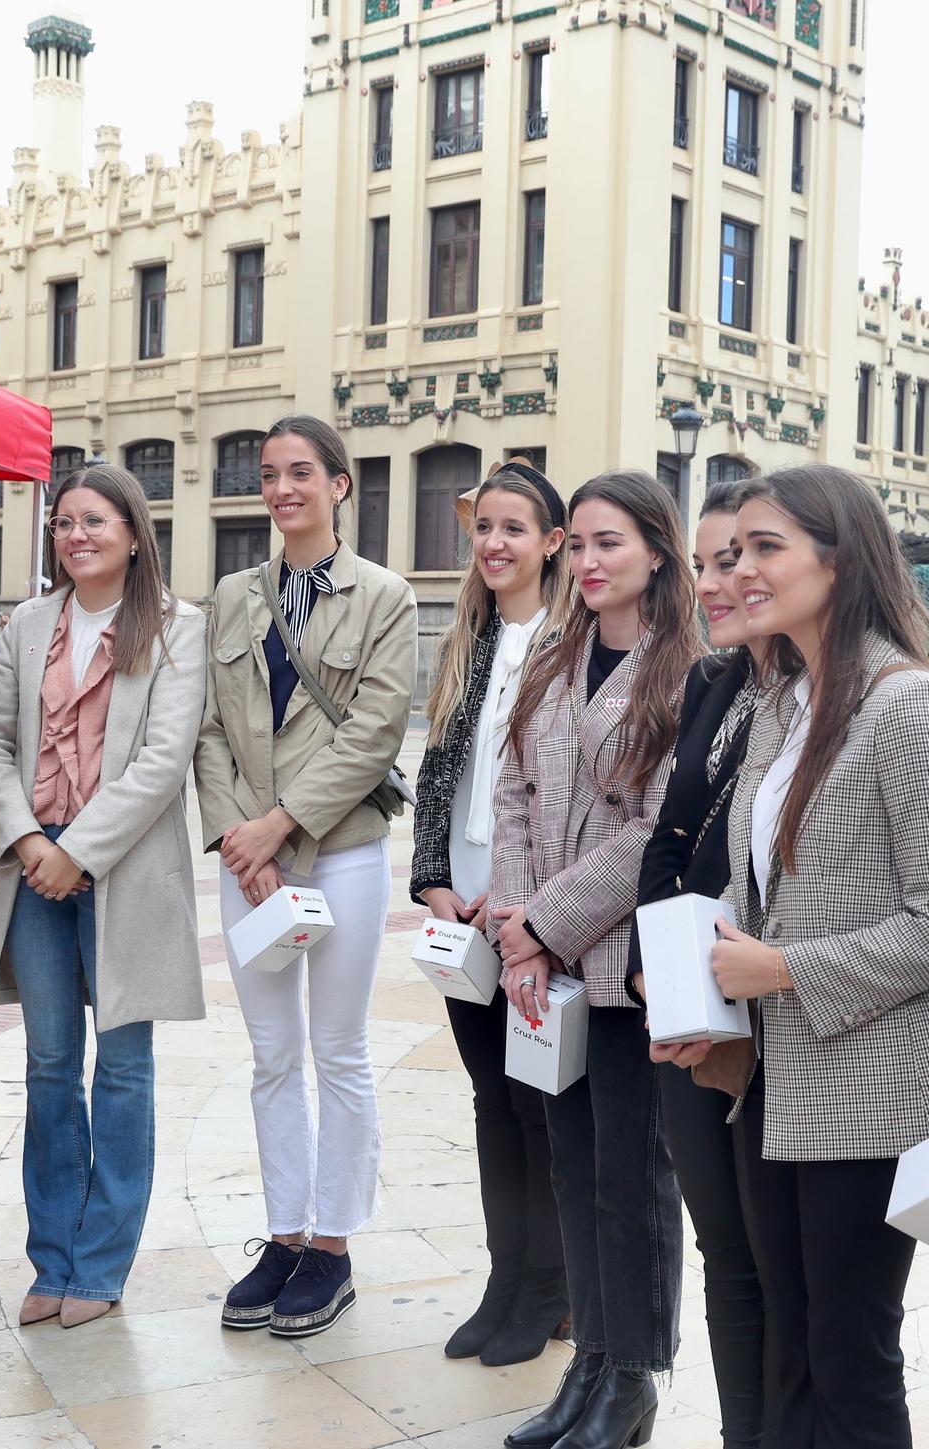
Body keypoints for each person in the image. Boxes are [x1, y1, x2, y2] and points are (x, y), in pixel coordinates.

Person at [670, 467, 929, 1449]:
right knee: (794, 1345)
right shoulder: (782, 703)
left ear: (837, 561)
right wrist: (698, 986)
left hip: (870, 1086)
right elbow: (757, 888)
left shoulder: (906, 707)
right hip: (771, 1076)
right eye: (733, 552)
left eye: (765, 549)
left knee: (848, 1353)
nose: (740, 570)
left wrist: (784, 971)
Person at [0, 464, 207, 1329]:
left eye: (95, 521)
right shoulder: (27, 624)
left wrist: (80, 852)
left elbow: (162, 765)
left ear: (134, 532)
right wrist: (28, 842)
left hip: (123, 870)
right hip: (29, 867)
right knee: (49, 1066)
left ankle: (100, 1267)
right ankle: (51, 1257)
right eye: (63, 523)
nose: (77, 535)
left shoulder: (176, 627)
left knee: (123, 1071)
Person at [195, 414, 416, 1338]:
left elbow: (373, 731)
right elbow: (207, 726)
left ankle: (333, 1245)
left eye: (300, 473)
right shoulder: (234, 594)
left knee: (338, 1049)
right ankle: (285, 1236)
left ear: (339, 485)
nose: (282, 489)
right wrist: (236, 837)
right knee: (272, 1055)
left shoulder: (385, 597)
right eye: (269, 475)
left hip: (343, 853)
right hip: (247, 863)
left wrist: (283, 824)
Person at [491, 469, 698, 1449]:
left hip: (627, 967)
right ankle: (590, 1361)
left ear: (657, 549)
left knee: (632, 1176)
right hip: (547, 964)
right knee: (570, 1169)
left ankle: (636, 1378)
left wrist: (545, 921)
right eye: (576, 544)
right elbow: (512, 789)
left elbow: (661, 828)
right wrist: (516, 923)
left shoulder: (688, 668)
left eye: (608, 542)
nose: (587, 561)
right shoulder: (554, 654)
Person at [411, 460, 571, 1366]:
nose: (495, 544)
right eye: (485, 528)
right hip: (458, 910)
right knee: (489, 1102)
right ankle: (506, 1275)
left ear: (552, 542)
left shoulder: (571, 642)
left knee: (536, 1103)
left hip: (534, 917)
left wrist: (528, 907)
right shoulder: (468, 636)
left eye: (516, 528)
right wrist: (435, 879)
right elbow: (439, 770)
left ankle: (550, 1288)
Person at [626, 478, 772, 1449]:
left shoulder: (819, 698)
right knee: (721, 1250)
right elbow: (667, 836)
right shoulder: (711, 683)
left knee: (775, 1261)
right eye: (705, 564)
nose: (716, 581)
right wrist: (653, 968)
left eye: (735, 559)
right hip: (690, 1007)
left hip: (775, 1005)